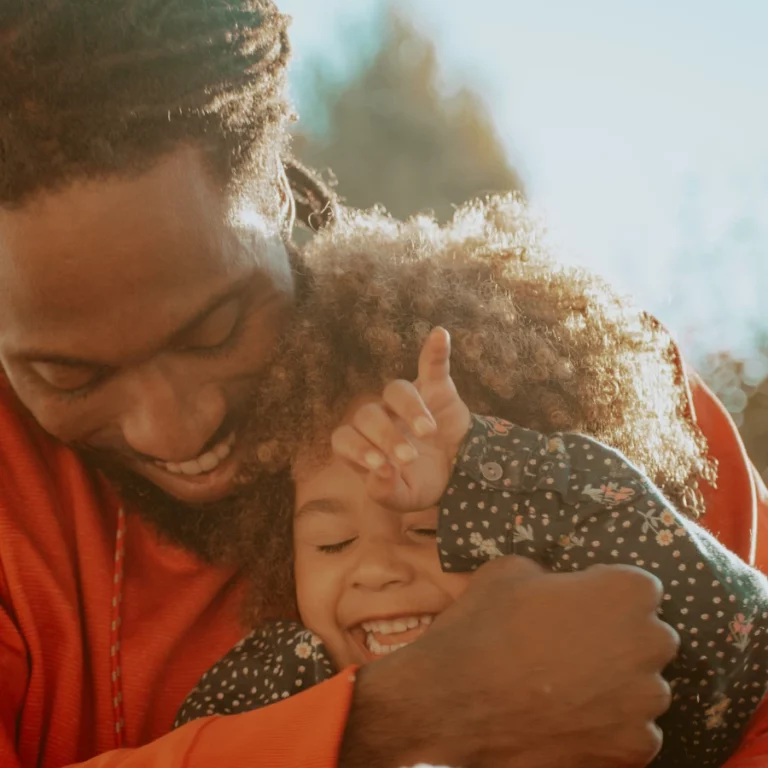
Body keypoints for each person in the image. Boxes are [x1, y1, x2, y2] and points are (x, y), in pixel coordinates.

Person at [0, 1, 764, 766]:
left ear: (277, 193)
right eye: (67, 374)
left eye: (214, 331)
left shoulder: (552, 378)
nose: (172, 428)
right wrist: (394, 719)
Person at [168, 203, 768, 767]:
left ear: (537, 525)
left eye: (429, 527)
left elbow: (745, 638)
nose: (375, 570)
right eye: (331, 542)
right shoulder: (279, 686)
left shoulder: (618, 679)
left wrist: (486, 462)